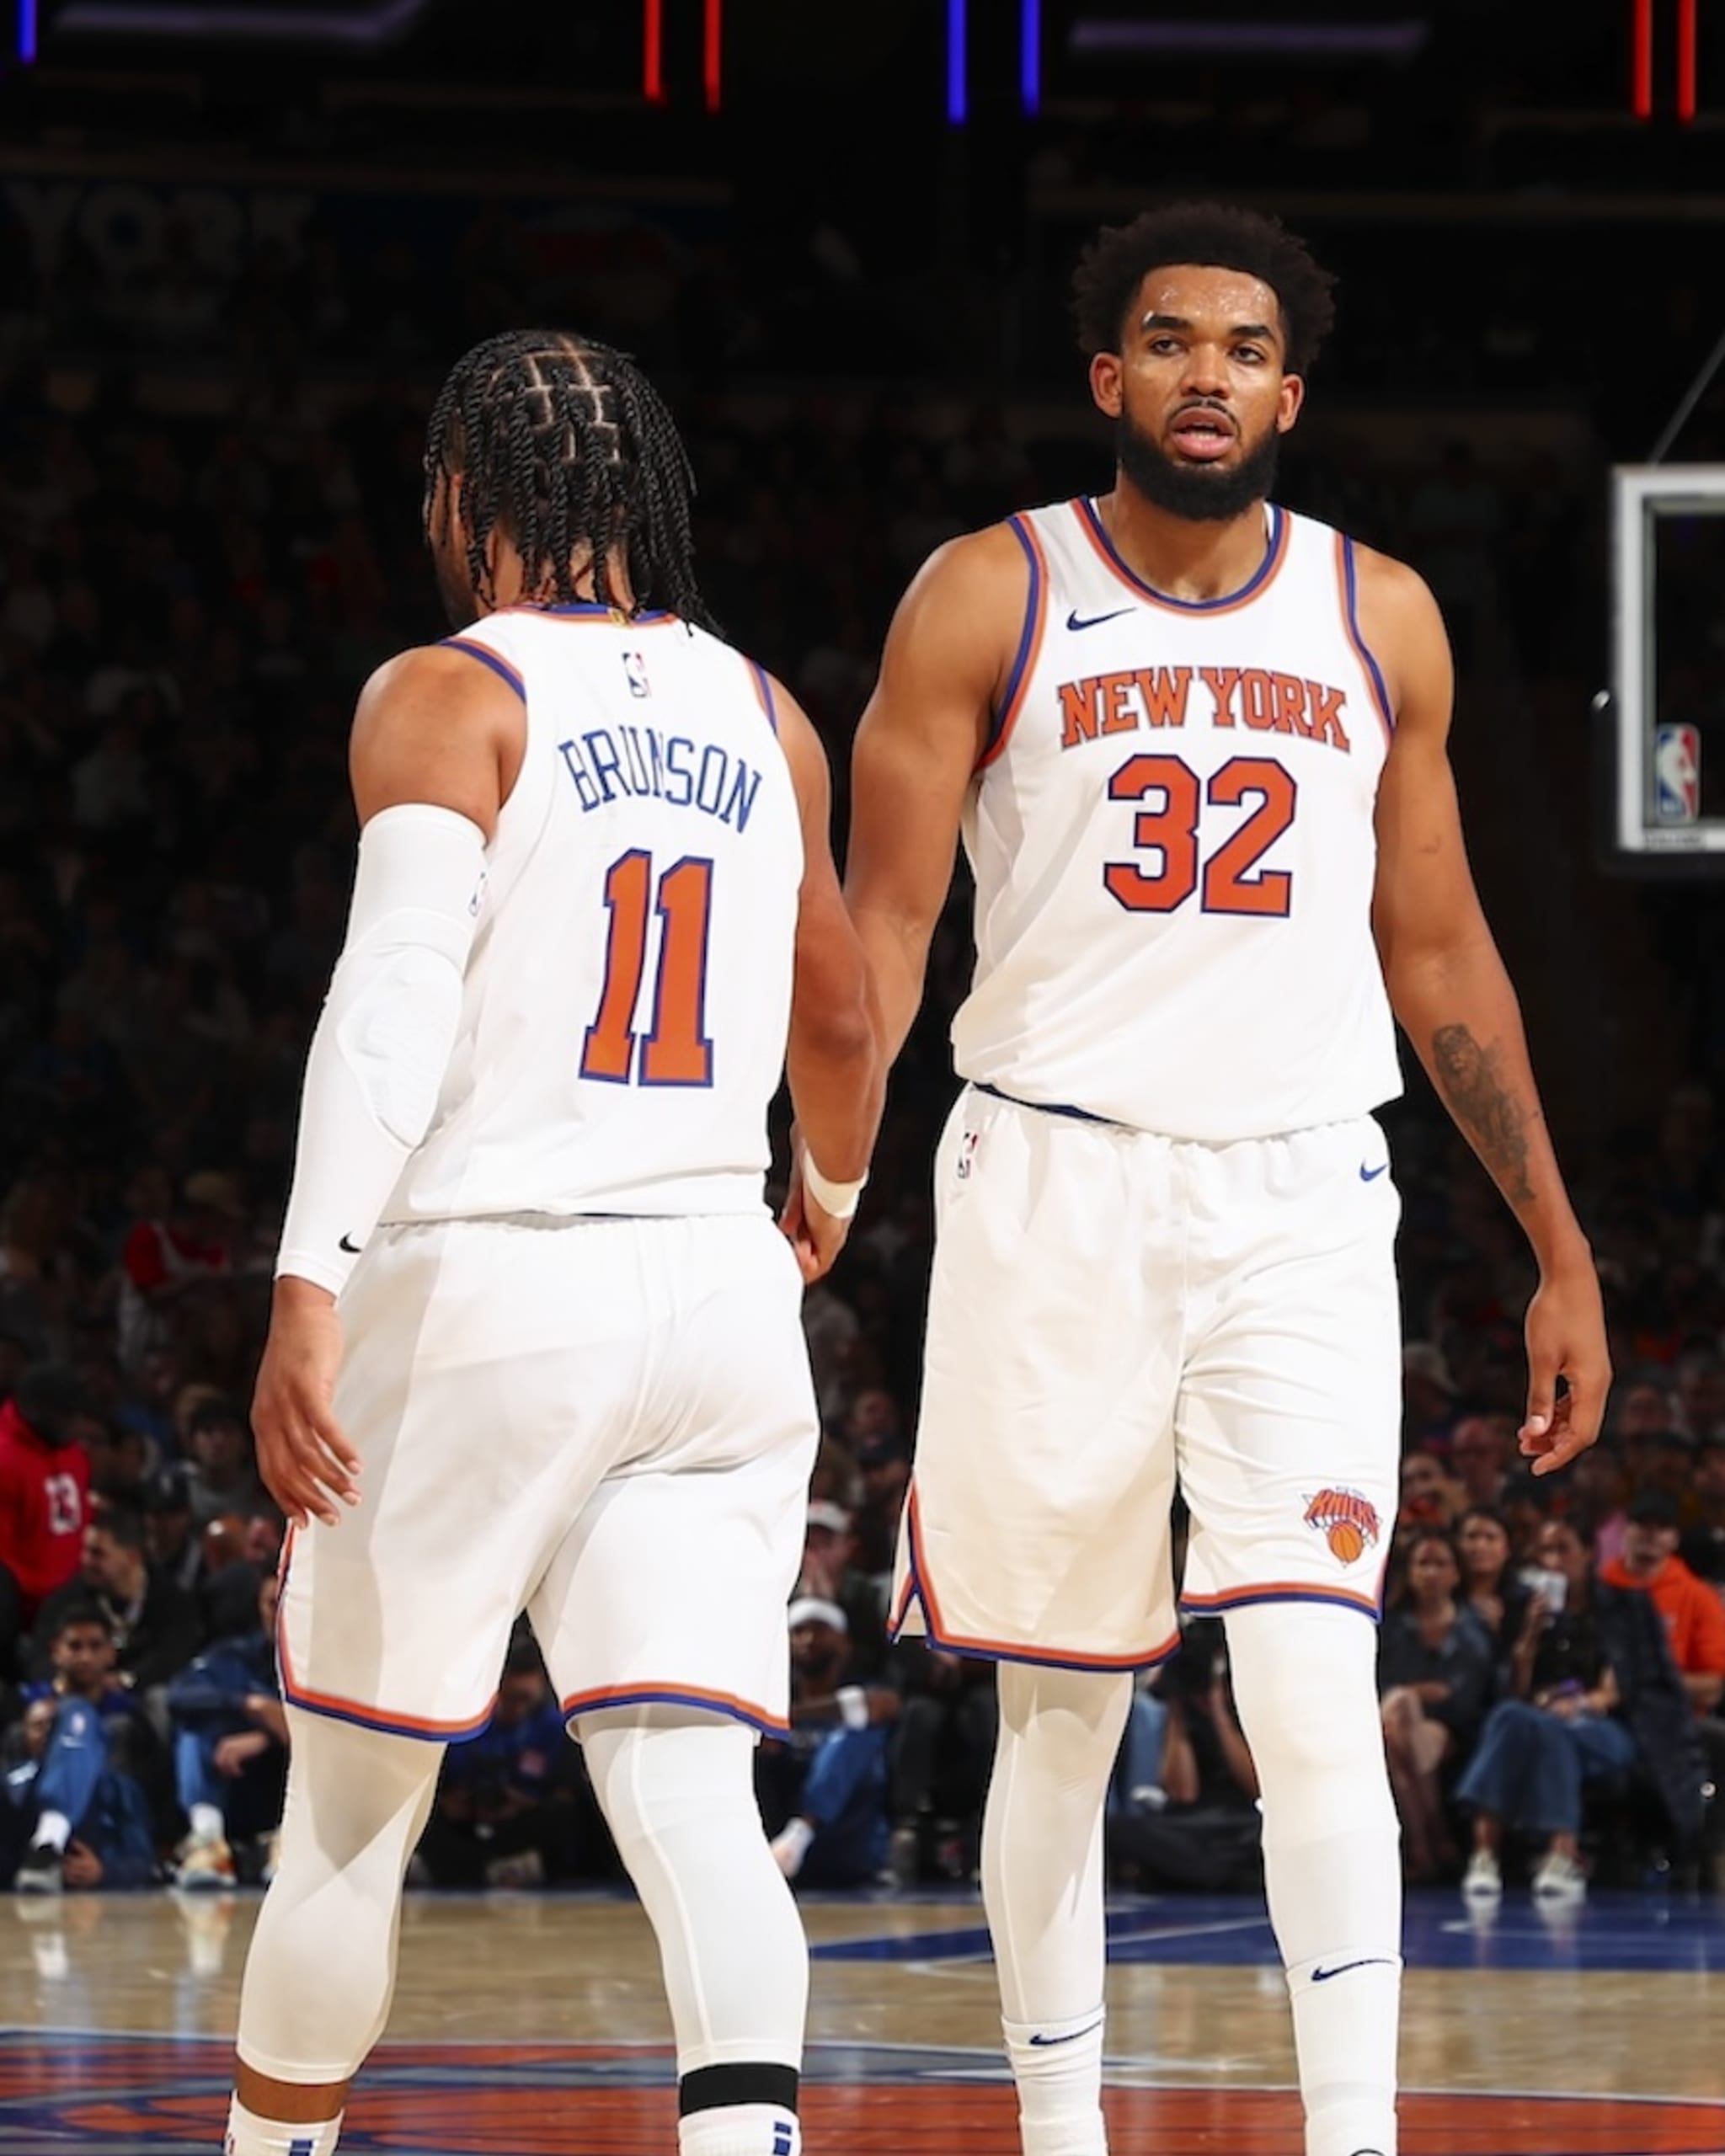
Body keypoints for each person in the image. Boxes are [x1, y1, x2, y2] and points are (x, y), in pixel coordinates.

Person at [843, 201, 1610, 2156]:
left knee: (1306, 1681)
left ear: (1292, 385)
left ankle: (1350, 2135)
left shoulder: (1381, 613)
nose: (1207, 373)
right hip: (1049, 1183)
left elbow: (1435, 951)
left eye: (1244, 346)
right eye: (1169, 341)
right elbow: (877, 931)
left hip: (1293, 1195)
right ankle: (1058, 2131)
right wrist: (817, 1181)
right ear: (1107, 378)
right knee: (1056, 1705)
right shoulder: (981, 593)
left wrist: (1554, 1242)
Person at [227, 330, 881, 2156]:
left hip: (493, 1278)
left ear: (465, 496)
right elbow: (839, 1029)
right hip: (715, 1295)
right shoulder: (769, 713)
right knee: (692, 1791)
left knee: (357, 1799)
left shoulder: (449, 691)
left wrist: (304, 1279)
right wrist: (822, 1199)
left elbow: (389, 1001)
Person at [1376, 1531, 1493, 1881]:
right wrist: (1415, 1694)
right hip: (1395, 1726)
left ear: (1456, 1573)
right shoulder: (1391, 1627)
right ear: (1409, 1573)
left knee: (1399, 1719)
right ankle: (1435, 1835)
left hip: (1452, 1727)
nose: (1430, 1572)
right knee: (1399, 1723)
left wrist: (1411, 1695)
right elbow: (1376, 1684)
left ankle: (1421, 1847)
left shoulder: (1473, 1626)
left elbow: (1462, 1695)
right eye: (1422, 1563)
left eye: (1440, 1563)